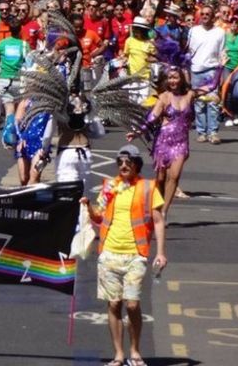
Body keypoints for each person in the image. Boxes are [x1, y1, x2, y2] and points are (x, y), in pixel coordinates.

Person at [80, 145, 167, 366]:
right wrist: (88, 207)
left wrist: (161, 252)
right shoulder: (109, 186)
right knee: (114, 304)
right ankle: (119, 354)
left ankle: (135, 351)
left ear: (137, 164)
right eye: (120, 163)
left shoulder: (148, 187)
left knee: (132, 305)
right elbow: (98, 217)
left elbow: (158, 220)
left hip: (135, 253)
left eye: (128, 163)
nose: (124, 166)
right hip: (109, 253)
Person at [130, 67, 194, 216]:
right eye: (170, 78)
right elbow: (152, 117)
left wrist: (220, 67)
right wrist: (139, 131)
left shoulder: (190, 95)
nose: (172, 81)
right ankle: (157, 207)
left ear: (182, 79)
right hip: (163, 141)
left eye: (175, 77)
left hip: (181, 141)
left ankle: (164, 212)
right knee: (160, 178)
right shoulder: (164, 97)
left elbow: (211, 87)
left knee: (175, 176)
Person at [187, 6, 225, 144]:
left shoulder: (220, 32)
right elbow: (189, 51)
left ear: (213, 15)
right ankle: (201, 132)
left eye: (208, 14)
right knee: (199, 104)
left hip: (212, 70)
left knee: (213, 103)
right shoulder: (193, 31)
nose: (205, 16)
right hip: (196, 70)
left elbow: (222, 53)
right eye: (202, 13)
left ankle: (213, 133)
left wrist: (221, 73)